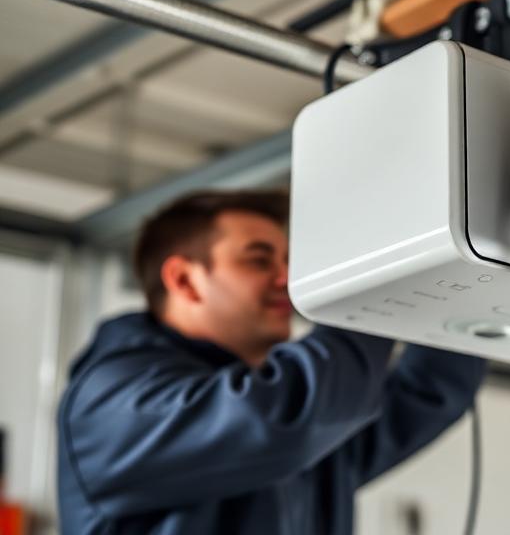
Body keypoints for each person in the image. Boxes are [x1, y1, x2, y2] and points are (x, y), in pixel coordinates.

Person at [57, 190, 487, 534]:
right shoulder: (112, 399)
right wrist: (376, 278)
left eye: (287, 262)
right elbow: (288, 417)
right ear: (184, 280)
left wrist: (475, 280)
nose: (287, 279)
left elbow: (426, 394)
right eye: (260, 260)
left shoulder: (298, 419)